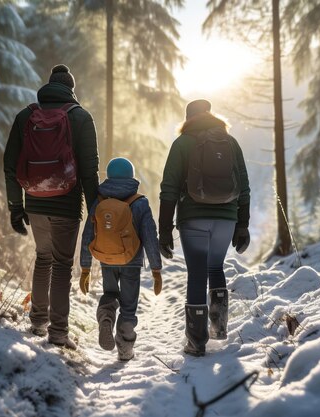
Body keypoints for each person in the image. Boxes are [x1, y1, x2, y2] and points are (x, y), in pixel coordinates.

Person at [3, 64, 99, 350]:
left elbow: (10, 165)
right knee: (61, 265)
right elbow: (90, 170)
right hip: (67, 204)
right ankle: (58, 333)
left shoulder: (25, 116)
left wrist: (15, 206)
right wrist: (95, 209)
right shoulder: (80, 117)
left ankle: (37, 321)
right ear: (71, 89)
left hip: (34, 201)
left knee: (43, 258)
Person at [158, 99, 250, 357]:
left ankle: (197, 342)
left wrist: (164, 229)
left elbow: (169, 188)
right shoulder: (230, 142)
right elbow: (244, 185)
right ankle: (218, 328)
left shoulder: (182, 143)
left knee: (197, 273)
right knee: (215, 267)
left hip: (193, 217)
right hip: (227, 218)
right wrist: (242, 224)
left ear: (188, 118)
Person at [79, 157, 162, 361]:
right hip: (131, 261)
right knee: (128, 304)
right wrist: (156, 269)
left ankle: (106, 317)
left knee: (110, 293)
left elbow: (88, 234)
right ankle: (125, 348)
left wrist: (85, 267)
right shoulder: (139, 202)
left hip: (107, 259)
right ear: (131, 177)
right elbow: (150, 236)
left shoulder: (100, 201)